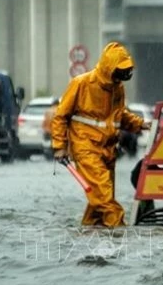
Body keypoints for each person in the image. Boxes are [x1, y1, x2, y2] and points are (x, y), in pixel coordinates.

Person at [51, 42, 151, 228]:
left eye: (126, 70)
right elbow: (60, 116)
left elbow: (119, 115)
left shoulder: (117, 88)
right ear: (108, 67)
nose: (124, 75)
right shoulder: (81, 84)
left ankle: (89, 232)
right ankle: (120, 235)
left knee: (99, 201)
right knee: (105, 197)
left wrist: (141, 124)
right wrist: (59, 147)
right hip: (85, 147)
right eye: (120, 70)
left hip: (107, 149)